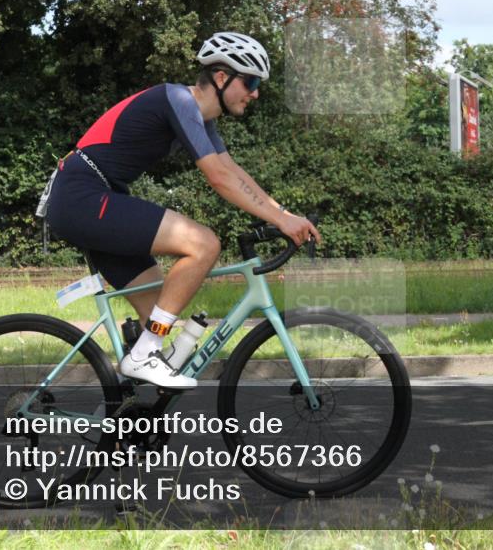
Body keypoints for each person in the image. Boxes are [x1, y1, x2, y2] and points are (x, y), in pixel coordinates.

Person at [45, 32, 321, 389]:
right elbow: (219, 178)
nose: (255, 93)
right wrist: (281, 220)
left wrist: (284, 213)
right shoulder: (176, 99)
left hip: (93, 198)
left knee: (156, 318)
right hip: (83, 195)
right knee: (203, 244)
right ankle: (144, 354)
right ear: (222, 77)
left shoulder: (202, 119)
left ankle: (127, 424)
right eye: (251, 81)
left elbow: (234, 171)